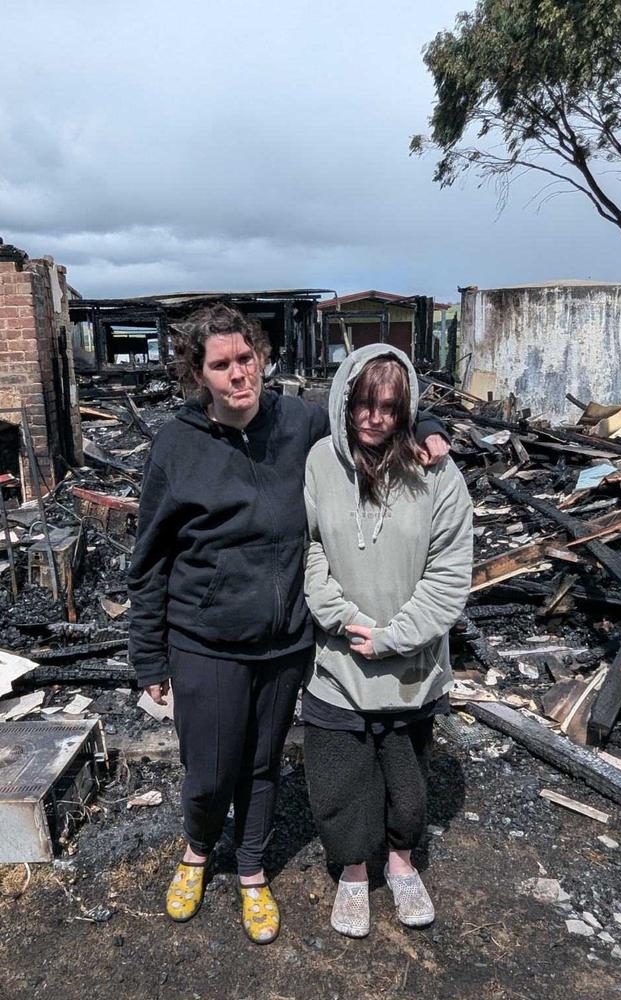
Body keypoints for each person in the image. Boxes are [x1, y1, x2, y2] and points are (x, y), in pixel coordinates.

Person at [127, 304, 450, 944]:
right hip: (205, 638)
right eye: (220, 365)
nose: (238, 374)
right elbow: (150, 559)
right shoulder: (177, 443)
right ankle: (196, 850)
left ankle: (251, 870)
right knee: (210, 767)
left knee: (264, 763)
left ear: (261, 356)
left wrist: (429, 423)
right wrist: (149, 658)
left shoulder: (298, 420)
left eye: (245, 358)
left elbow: (368, 418)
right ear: (199, 373)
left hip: (284, 642)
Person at [302, 344, 473, 939]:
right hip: (337, 658)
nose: (374, 418)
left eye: (390, 407)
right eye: (364, 404)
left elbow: (450, 570)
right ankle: (353, 871)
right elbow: (310, 545)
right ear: (345, 401)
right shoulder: (322, 460)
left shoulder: (436, 472)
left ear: (407, 410)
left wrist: (395, 637)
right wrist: (340, 616)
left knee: (406, 781)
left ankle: (401, 861)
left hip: (410, 666)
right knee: (337, 775)